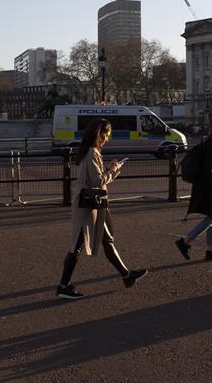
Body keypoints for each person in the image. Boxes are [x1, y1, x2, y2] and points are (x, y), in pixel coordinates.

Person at [57, 118, 147, 300]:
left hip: (92, 204)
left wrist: (110, 169)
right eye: (106, 135)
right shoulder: (92, 153)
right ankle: (63, 286)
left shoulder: (90, 152)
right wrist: (113, 169)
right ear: (99, 134)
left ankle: (127, 276)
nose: (107, 139)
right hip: (88, 206)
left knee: (106, 240)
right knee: (77, 246)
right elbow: (98, 181)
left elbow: (94, 178)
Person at [175, 112, 212, 262]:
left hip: (204, 185)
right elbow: (210, 170)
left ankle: (210, 250)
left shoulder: (210, 141)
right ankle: (185, 241)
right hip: (208, 187)